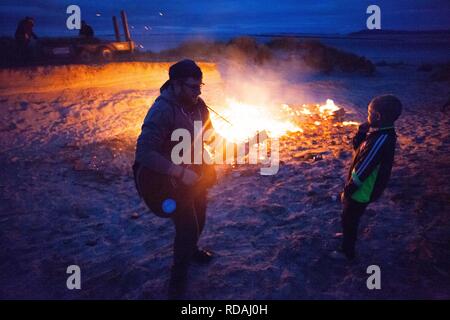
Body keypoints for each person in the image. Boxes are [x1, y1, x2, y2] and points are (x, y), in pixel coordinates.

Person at [133, 60, 217, 299]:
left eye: (200, 86)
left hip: (193, 172)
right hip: (163, 179)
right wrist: (179, 172)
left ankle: (191, 251)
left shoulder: (199, 106)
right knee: (188, 226)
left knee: (200, 217)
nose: (198, 92)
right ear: (176, 84)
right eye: (192, 87)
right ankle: (177, 279)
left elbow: (208, 134)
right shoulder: (162, 110)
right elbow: (145, 153)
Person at [333, 94, 402, 260]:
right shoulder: (380, 134)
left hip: (363, 188)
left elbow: (364, 168)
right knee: (351, 215)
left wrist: (348, 190)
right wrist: (361, 133)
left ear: (377, 116)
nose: (367, 116)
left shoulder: (381, 140)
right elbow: (358, 149)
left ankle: (347, 251)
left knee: (349, 216)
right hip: (363, 186)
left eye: (369, 113)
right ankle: (348, 232)